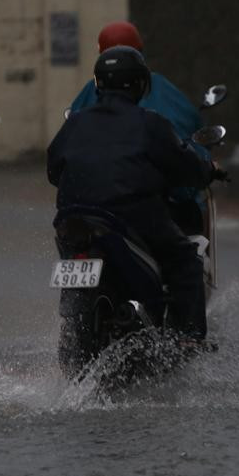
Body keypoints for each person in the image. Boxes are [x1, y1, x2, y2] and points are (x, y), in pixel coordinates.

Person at [47, 46, 223, 343]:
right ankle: (187, 341)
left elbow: (52, 170)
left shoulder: (75, 122)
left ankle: (77, 332)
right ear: (141, 83)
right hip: (131, 216)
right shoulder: (149, 123)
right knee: (186, 261)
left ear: (98, 84)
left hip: (73, 219)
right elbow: (187, 166)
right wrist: (209, 170)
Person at [69, 21, 211, 232]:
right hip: (140, 214)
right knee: (185, 259)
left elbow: (55, 164)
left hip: (82, 216)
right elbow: (183, 148)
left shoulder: (80, 117)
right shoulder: (153, 118)